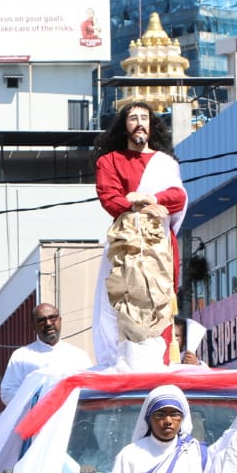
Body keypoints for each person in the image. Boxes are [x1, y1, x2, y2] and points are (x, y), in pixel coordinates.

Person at [92, 101, 187, 368]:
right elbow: (110, 199)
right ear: (124, 126)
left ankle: (161, 362)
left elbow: (178, 197)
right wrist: (137, 205)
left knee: (159, 301)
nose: (139, 123)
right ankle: (123, 361)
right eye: (133, 118)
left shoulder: (165, 163)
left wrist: (148, 197)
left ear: (152, 124)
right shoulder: (109, 161)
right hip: (127, 244)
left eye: (144, 117)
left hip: (160, 245)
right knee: (125, 299)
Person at [0, 303, 93, 406]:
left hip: (72, 419)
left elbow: (92, 388)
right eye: (41, 320)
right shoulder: (21, 356)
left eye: (52, 318)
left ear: (60, 320)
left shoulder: (78, 356)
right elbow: (7, 392)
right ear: (33, 326)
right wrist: (37, 399)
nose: (48, 323)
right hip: (36, 419)